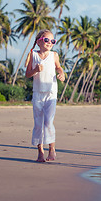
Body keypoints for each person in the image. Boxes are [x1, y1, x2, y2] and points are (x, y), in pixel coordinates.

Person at [25, 29, 65, 162]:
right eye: (47, 40)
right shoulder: (33, 55)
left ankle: (51, 149)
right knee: (38, 124)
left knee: (48, 122)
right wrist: (35, 70)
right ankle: (40, 152)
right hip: (37, 94)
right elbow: (27, 74)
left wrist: (62, 73)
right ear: (39, 42)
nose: (50, 43)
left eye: (52, 41)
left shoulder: (54, 55)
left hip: (51, 93)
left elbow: (58, 67)